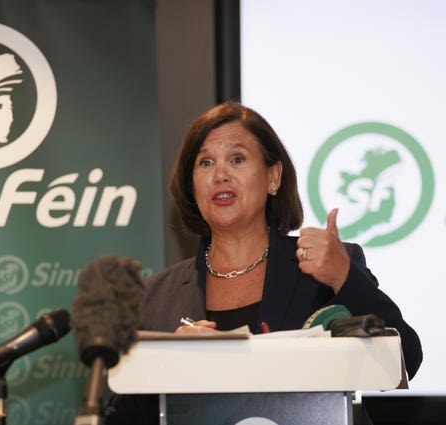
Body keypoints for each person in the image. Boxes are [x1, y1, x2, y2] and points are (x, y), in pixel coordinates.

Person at [106, 101, 422, 424]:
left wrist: (345, 276)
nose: (220, 175)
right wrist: (167, 366)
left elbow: (406, 358)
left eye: (237, 159)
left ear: (274, 177)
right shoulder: (154, 297)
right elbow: (119, 417)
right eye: (205, 163)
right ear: (193, 187)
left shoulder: (323, 273)